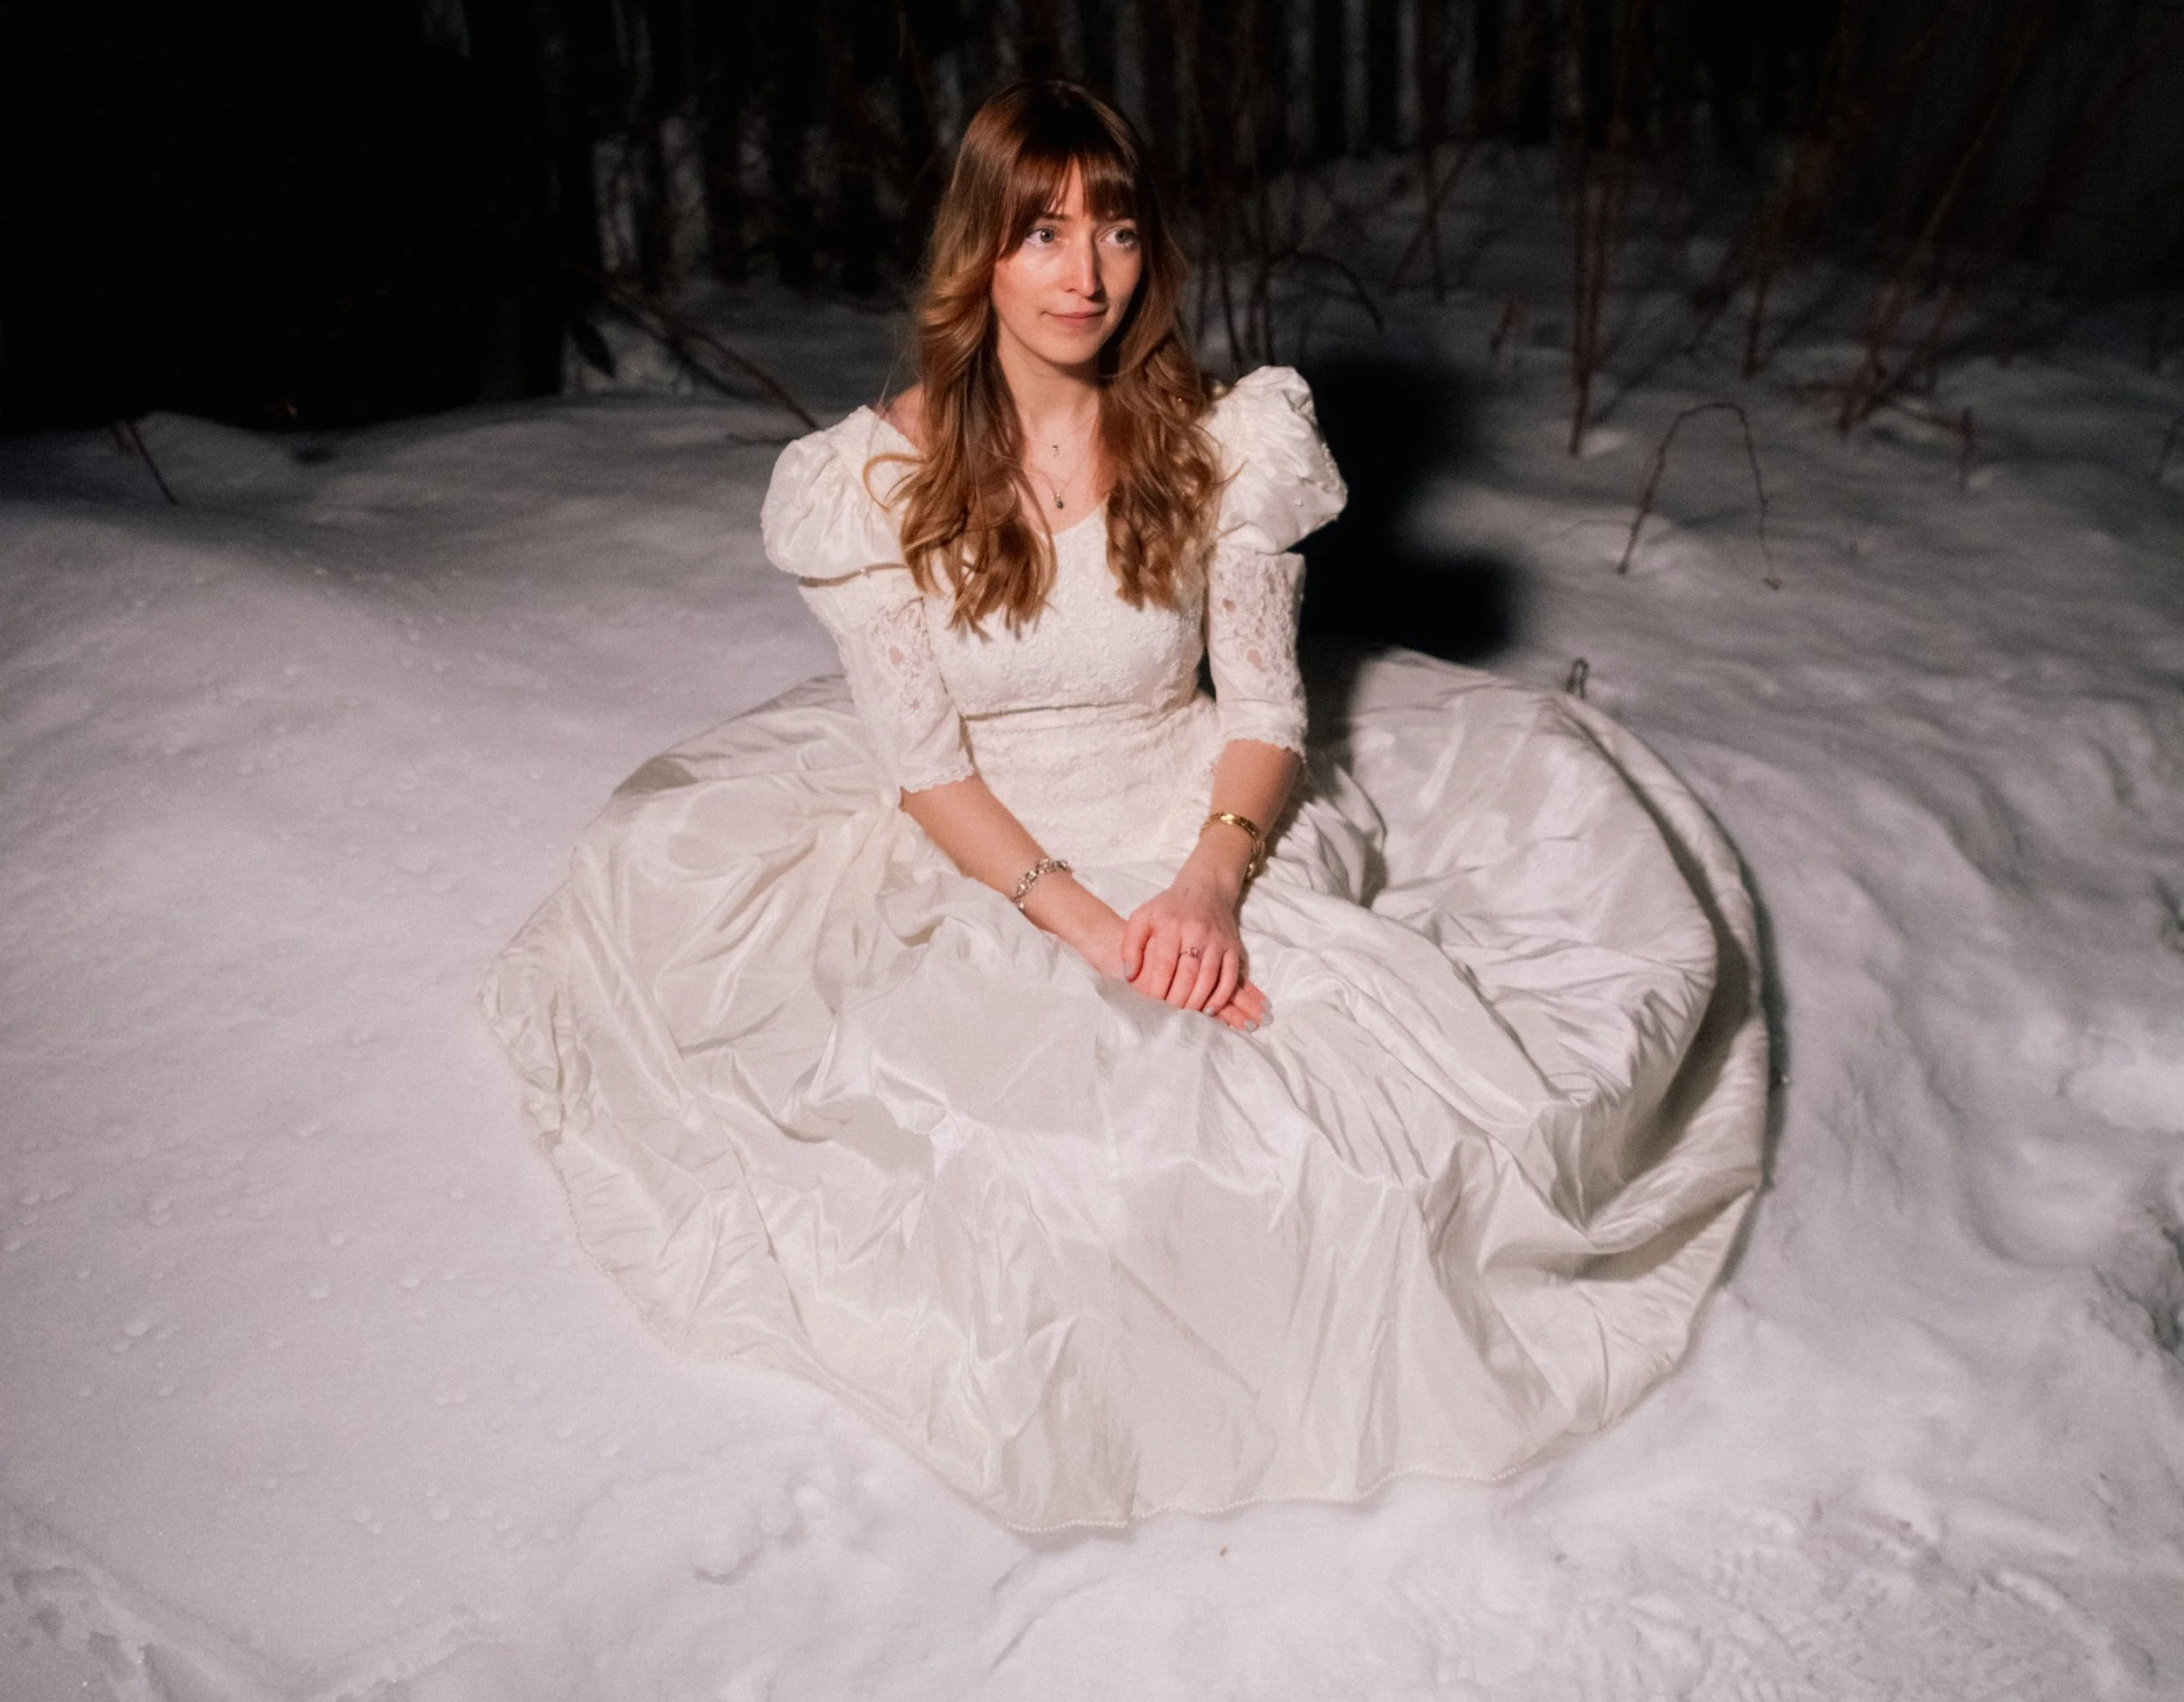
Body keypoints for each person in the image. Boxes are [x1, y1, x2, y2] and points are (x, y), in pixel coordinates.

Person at [485, 82, 1766, 1531]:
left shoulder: (1224, 444)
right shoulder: (872, 481)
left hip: (1195, 801)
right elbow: (927, 773)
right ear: (976, 253)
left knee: (1360, 1131)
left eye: (1114, 227)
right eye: (1039, 232)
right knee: (1046, 1163)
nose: (1085, 273)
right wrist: (1091, 928)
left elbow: (1269, 708)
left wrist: (1210, 883)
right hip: (986, 848)